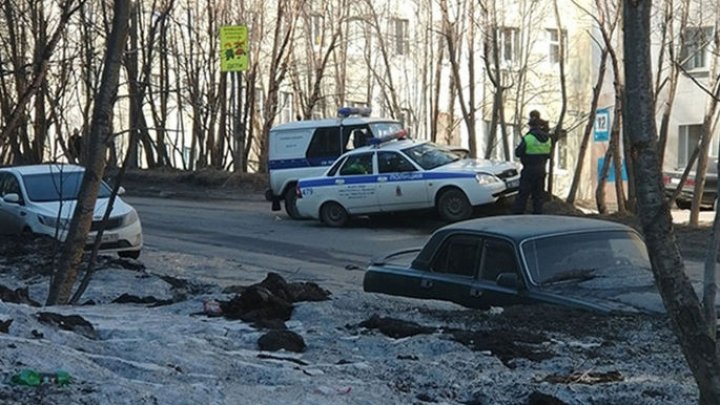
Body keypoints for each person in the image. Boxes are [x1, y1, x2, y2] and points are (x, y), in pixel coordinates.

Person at [512, 110, 552, 214]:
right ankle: (537, 215)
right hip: (541, 170)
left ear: (531, 126)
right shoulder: (548, 139)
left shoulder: (528, 138)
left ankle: (517, 216)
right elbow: (549, 155)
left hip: (529, 170)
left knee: (523, 195)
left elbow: (518, 153)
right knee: (538, 195)